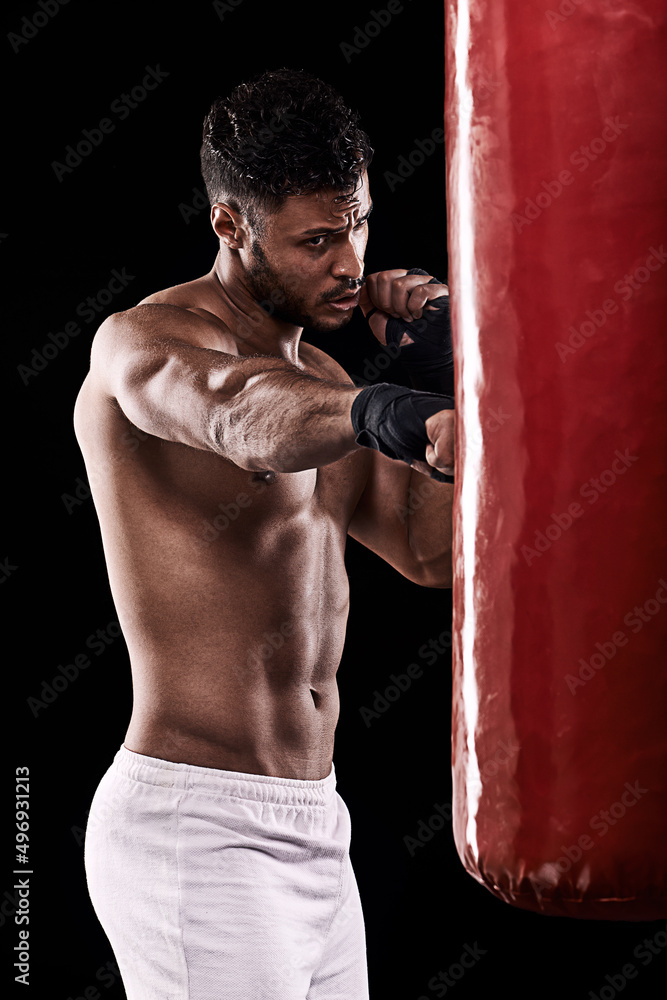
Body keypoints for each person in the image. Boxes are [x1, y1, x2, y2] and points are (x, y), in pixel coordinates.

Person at [76, 67, 455, 1000]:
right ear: (230, 226)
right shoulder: (144, 343)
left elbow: (433, 554)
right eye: (317, 240)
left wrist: (445, 377)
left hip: (317, 824)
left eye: (357, 224)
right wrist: (383, 410)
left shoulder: (326, 378)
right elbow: (237, 415)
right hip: (194, 828)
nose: (350, 264)